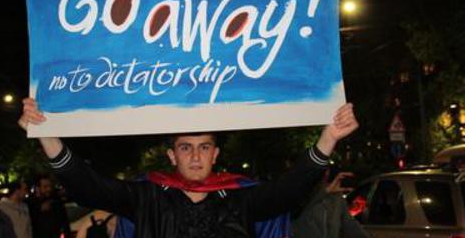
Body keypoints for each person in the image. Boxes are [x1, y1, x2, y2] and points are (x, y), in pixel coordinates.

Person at [19, 98, 360, 238]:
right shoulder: (147, 195)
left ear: (215, 154)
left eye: (203, 147)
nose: (195, 156)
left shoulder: (241, 197)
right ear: (172, 156)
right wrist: (48, 137)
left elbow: (288, 190)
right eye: (185, 147)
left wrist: (328, 138)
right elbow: (89, 186)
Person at [291, 171, 370, 238]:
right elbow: (300, 212)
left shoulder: (336, 196)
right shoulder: (301, 193)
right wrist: (325, 191)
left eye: (325, 169)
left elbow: (349, 223)